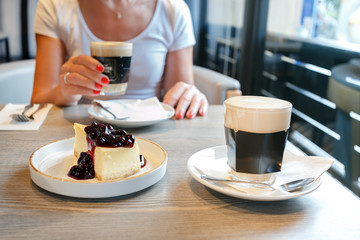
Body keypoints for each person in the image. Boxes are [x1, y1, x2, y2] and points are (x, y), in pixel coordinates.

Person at [31, 0, 208, 119]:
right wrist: (64, 92)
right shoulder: (54, 5)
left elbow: (178, 98)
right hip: (82, 127)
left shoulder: (173, 10)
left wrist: (189, 97)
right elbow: (39, 100)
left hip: (149, 129)